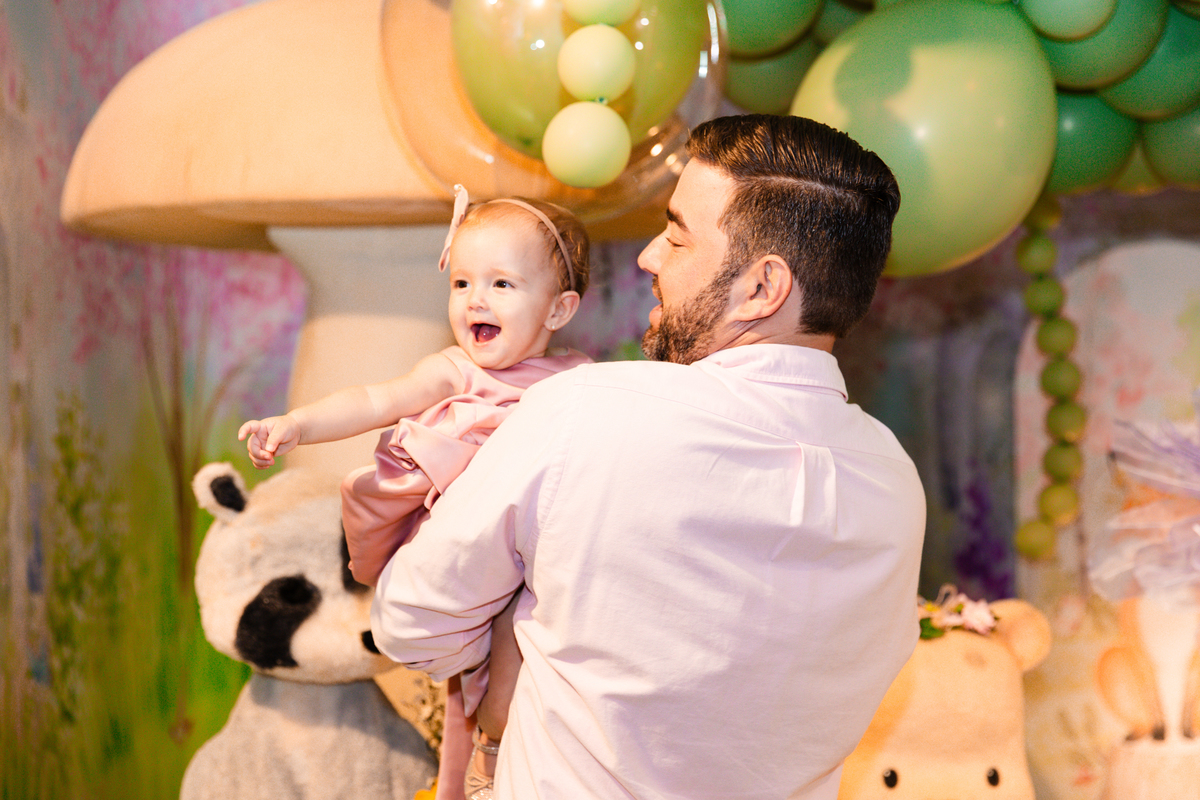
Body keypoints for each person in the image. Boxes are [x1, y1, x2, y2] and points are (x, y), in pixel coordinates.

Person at [372, 114, 927, 800]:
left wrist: (512, 645)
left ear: (762, 288)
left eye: (677, 235)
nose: (649, 257)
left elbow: (410, 622)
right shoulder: (895, 482)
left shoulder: (586, 413)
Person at [237, 186, 592, 800]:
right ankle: (489, 759)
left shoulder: (578, 380)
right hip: (473, 559)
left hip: (543, 557)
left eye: (502, 284)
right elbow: (375, 399)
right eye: (461, 283)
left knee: (547, 674)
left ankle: (516, 761)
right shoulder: (457, 371)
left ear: (558, 310)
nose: (476, 298)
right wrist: (297, 424)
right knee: (495, 671)